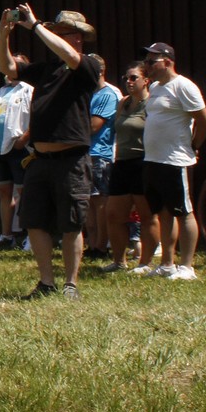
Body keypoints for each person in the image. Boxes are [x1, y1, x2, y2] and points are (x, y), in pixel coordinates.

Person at [0, 6, 100, 300]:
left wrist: (34, 26)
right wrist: (3, 34)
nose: (75, 40)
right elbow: (7, 68)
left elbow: (70, 56)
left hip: (72, 160)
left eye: (77, 35)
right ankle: (46, 282)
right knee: (34, 221)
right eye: (68, 34)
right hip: (41, 161)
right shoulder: (45, 69)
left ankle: (70, 284)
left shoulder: (88, 66)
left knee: (71, 224)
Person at [136, 42, 206, 281]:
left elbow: (205, 121)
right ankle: (167, 264)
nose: (147, 66)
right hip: (153, 159)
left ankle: (187, 266)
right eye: (146, 61)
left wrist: (193, 145)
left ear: (167, 61)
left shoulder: (184, 86)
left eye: (151, 61)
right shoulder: (155, 87)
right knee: (163, 212)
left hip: (175, 160)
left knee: (183, 211)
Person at [105, 62, 160, 273]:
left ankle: (145, 263)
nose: (128, 82)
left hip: (143, 162)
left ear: (146, 80)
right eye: (126, 78)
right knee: (113, 215)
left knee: (147, 216)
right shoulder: (124, 103)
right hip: (122, 162)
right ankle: (119, 261)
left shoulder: (152, 104)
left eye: (133, 78)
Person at [0, 56, 33, 250]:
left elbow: (36, 117)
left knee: (24, 193)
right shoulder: (1, 91)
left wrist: (24, 139)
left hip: (18, 148)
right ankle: (6, 235)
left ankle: (31, 235)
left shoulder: (28, 90)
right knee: (4, 192)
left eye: (15, 64)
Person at [84, 54, 120, 259]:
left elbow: (94, 126)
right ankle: (91, 244)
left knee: (99, 202)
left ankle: (101, 246)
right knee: (88, 201)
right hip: (84, 153)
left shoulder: (107, 95)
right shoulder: (87, 93)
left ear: (100, 71)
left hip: (99, 155)